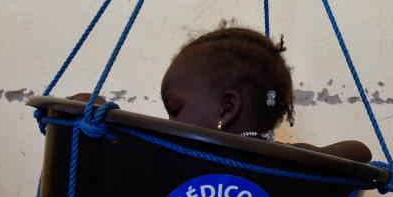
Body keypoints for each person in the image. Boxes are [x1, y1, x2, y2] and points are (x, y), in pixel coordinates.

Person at [160, 25, 373, 162]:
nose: (170, 122)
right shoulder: (179, 159)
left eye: (175, 110)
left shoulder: (281, 161)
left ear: (226, 109)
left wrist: (290, 157)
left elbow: (359, 150)